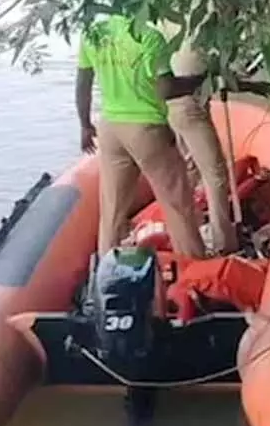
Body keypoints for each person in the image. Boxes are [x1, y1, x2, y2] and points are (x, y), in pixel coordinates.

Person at [76, 15, 206, 258]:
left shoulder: (93, 32)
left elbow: (83, 82)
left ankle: (106, 274)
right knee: (177, 205)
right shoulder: (149, 37)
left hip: (110, 128)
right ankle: (194, 273)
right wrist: (198, 80)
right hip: (145, 128)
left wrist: (85, 124)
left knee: (112, 211)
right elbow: (165, 88)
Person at [155, 26, 239, 255]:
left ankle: (191, 226)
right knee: (216, 174)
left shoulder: (166, 24)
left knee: (190, 167)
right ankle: (223, 242)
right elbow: (214, 69)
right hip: (189, 104)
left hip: (171, 104)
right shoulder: (204, 26)